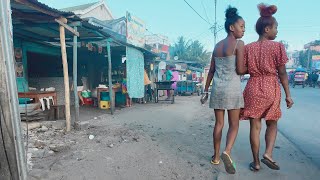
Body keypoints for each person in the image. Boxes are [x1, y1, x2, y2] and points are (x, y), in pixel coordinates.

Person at [241, 3, 294, 171]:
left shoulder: (248, 48)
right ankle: (268, 153)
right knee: (272, 123)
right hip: (271, 87)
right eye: (276, 28)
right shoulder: (278, 46)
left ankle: (256, 163)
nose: (277, 31)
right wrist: (288, 94)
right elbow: (283, 74)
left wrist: (255, 67)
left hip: (253, 87)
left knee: (254, 126)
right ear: (267, 29)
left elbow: (241, 70)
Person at [200, 6, 246, 174]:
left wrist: (205, 91)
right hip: (232, 89)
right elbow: (240, 70)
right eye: (242, 27)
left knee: (219, 124)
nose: (244, 30)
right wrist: (249, 68)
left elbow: (211, 71)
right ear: (231, 27)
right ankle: (227, 151)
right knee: (234, 124)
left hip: (217, 89)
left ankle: (216, 157)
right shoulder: (239, 44)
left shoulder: (217, 46)